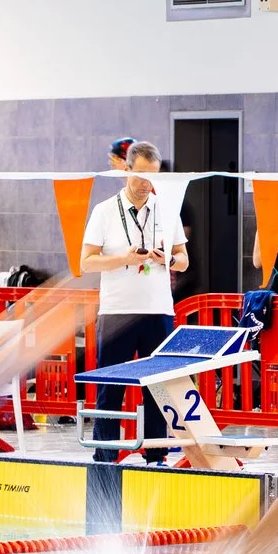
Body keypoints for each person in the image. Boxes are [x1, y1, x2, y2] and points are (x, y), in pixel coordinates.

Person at [80, 142, 188, 452]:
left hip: (158, 311)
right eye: (140, 175)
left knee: (157, 389)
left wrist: (163, 258)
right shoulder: (104, 211)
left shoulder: (166, 210)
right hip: (117, 311)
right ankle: (106, 456)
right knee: (110, 388)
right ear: (126, 170)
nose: (146, 184)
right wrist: (124, 259)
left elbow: (184, 260)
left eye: (153, 177)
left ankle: (156, 455)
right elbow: (86, 261)